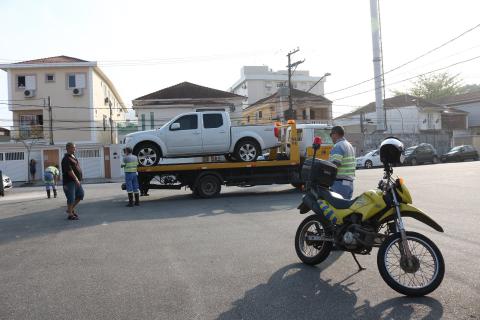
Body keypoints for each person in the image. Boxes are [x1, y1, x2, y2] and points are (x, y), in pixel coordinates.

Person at [329, 126, 356, 199]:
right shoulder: (349, 145)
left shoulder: (338, 146)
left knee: (336, 208)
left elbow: (334, 165)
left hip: (340, 184)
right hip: (349, 184)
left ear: (335, 134)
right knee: (346, 209)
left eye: (331, 135)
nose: (331, 137)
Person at [61, 142, 84, 220]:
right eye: (73, 147)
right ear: (68, 148)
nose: (75, 149)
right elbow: (69, 171)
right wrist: (76, 179)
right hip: (69, 182)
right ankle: (70, 214)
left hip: (76, 181)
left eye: (75, 147)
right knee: (71, 198)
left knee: (81, 195)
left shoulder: (73, 157)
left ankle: (69, 209)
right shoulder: (66, 159)